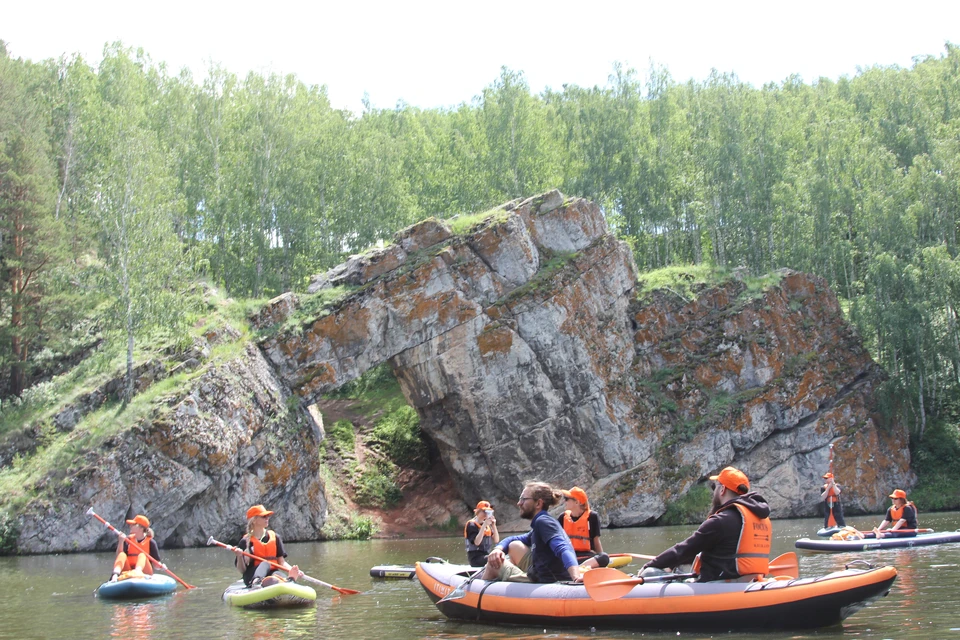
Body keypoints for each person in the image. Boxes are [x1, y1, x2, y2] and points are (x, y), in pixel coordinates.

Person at [641, 467, 772, 582]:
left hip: (719, 583)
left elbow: (684, 550)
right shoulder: (760, 517)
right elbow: (693, 553)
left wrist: (648, 567)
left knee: (649, 573)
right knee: (679, 567)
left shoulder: (720, 521)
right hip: (748, 579)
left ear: (722, 490)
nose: (713, 491)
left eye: (714, 487)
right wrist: (670, 564)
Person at [482, 481, 582, 583]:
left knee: (493, 565)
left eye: (523, 499)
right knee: (514, 545)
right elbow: (513, 539)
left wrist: (576, 577)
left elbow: (563, 548)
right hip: (539, 574)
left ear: (538, 503)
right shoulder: (541, 522)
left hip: (549, 583)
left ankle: (476, 594)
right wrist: (498, 549)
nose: (519, 503)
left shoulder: (543, 522)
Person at [233, 504, 301, 587]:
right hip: (252, 575)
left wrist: (292, 570)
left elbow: (281, 562)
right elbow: (242, 570)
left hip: (272, 573)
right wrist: (239, 557)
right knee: (266, 564)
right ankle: (256, 582)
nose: (267, 518)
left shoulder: (275, 537)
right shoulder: (245, 541)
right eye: (264, 516)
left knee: (280, 576)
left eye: (268, 516)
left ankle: (288, 581)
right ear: (254, 520)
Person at [558, 486, 609, 569]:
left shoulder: (592, 517)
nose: (564, 501)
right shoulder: (562, 517)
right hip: (568, 557)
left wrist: (601, 557)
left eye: (567, 499)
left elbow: (596, 541)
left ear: (577, 502)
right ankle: (577, 569)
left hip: (587, 557)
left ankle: (577, 569)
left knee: (604, 557)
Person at [111, 514, 160, 581]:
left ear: (141, 528)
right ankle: (115, 574)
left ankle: (137, 572)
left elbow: (156, 566)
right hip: (129, 571)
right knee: (122, 554)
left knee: (142, 555)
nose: (130, 526)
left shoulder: (151, 542)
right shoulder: (128, 540)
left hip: (145, 573)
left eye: (133, 525)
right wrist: (121, 541)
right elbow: (119, 556)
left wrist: (160, 566)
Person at [464, 500, 500, 567]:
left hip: (485, 556)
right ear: (478, 512)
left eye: (488, 512)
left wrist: (494, 526)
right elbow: (477, 542)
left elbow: (496, 540)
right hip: (475, 559)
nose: (486, 514)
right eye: (484, 511)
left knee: (501, 556)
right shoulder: (471, 525)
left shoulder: (487, 525)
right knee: (494, 559)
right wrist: (484, 525)